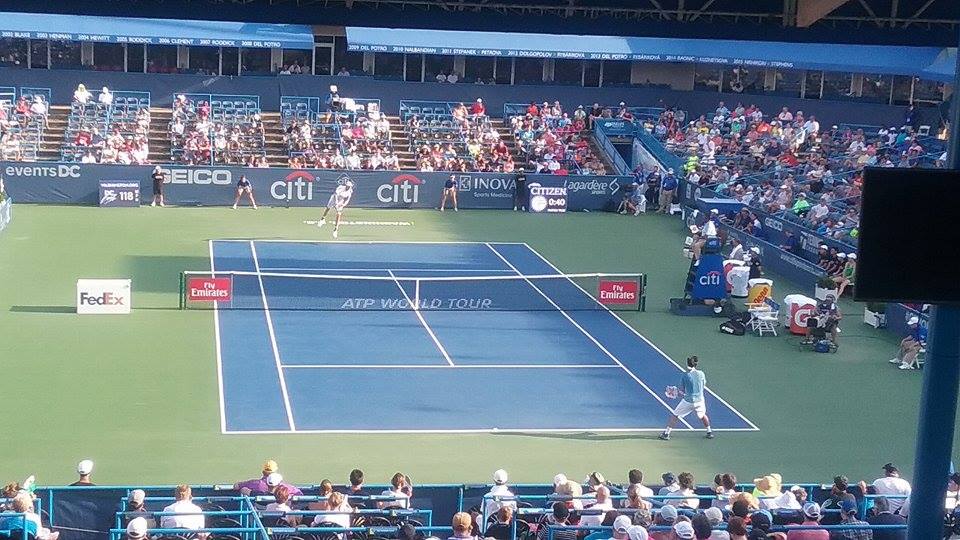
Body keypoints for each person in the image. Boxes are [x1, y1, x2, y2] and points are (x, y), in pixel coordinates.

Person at [659, 356, 713, 440]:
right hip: (700, 401)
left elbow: (682, 390)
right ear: (696, 364)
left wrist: (677, 393)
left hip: (688, 401)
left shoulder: (685, 375)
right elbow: (703, 385)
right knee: (702, 415)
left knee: (675, 415)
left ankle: (666, 434)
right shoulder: (701, 373)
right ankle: (709, 432)